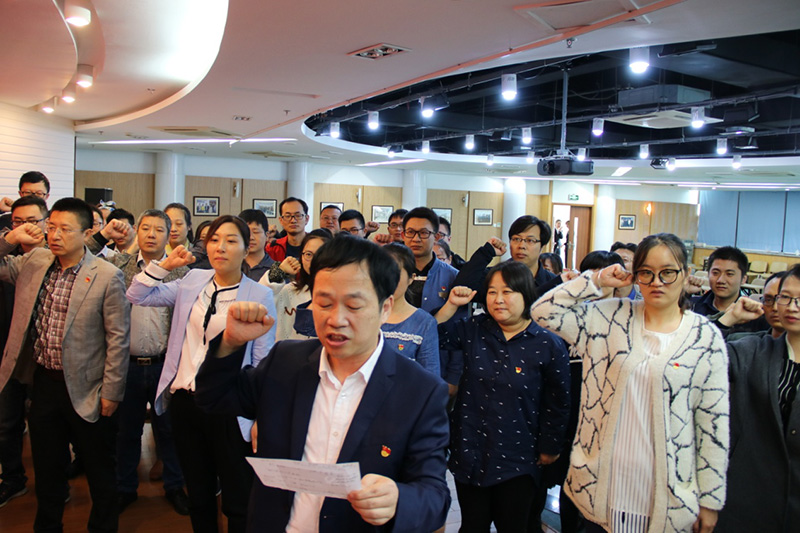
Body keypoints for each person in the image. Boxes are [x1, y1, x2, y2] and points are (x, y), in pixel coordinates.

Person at [194, 236, 451, 532]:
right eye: (324, 303)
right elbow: (212, 397)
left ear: (385, 308)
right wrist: (230, 343)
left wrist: (398, 499)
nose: (336, 319)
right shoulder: (285, 361)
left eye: (354, 306)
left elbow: (435, 497)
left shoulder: (420, 391)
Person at [532, 233, 729, 533]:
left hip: (667, 495)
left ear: (686, 273)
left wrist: (711, 501)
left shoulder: (704, 336)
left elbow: (713, 424)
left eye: (667, 272)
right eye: (646, 273)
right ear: (635, 276)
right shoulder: (610, 317)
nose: (656, 282)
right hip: (604, 485)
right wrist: (596, 280)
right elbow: (542, 312)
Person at [127, 215, 277, 533]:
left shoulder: (258, 294)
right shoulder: (192, 280)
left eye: (231, 241)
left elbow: (261, 362)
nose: (220, 247)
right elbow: (137, 295)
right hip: (186, 400)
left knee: (237, 496)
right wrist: (165, 265)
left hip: (229, 407)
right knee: (198, 491)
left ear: (246, 248)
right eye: (214, 240)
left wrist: (259, 417)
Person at [0, 197, 130, 532]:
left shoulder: (106, 275)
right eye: (51, 227)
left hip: (90, 386)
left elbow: (118, 338)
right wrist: (10, 238)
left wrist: (111, 392)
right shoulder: (35, 261)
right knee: (47, 468)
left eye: (65, 229)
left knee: (100, 470)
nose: (55, 235)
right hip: (45, 383)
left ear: (87, 233)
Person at [436, 262, 570, 532]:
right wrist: (450, 305)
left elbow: (558, 401)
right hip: (470, 449)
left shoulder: (547, 343)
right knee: (472, 526)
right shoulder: (473, 329)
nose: (498, 299)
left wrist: (550, 446)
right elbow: (431, 334)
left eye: (507, 292)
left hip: (518, 456)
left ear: (526, 295)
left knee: (514, 526)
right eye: (492, 292)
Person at [714, 263, 800, 532]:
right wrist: (728, 318)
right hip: (749, 499)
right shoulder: (752, 350)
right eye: (785, 297)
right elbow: (691, 358)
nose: (791, 307)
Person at [0, 196, 49, 508]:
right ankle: (13, 479)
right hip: (10, 354)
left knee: (49, 427)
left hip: (48, 358)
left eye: (32, 221)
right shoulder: (10, 259)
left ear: (46, 222)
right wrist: (9, 240)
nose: (26, 227)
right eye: (18, 222)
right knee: (7, 424)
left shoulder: (56, 255)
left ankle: (54, 483)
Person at [381, 243, 440, 376]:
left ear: (411, 278)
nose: (388, 280)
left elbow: (431, 377)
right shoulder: (363, 316)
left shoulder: (424, 322)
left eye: (395, 273)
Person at [271, 229, 332, 341]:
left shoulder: (339, 295)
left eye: (320, 254)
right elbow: (261, 302)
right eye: (308, 254)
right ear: (301, 257)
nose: (313, 261)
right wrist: (279, 272)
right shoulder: (289, 291)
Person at [266, 197, 308, 261]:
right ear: (281, 220)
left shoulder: (317, 246)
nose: (293, 220)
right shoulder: (273, 247)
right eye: (288, 216)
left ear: (306, 219)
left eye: (298, 215)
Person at [238, 209, 275, 282]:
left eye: (256, 232)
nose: (251, 237)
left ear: (267, 235)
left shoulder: (275, 269)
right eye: (246, 232)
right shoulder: (232, 267)